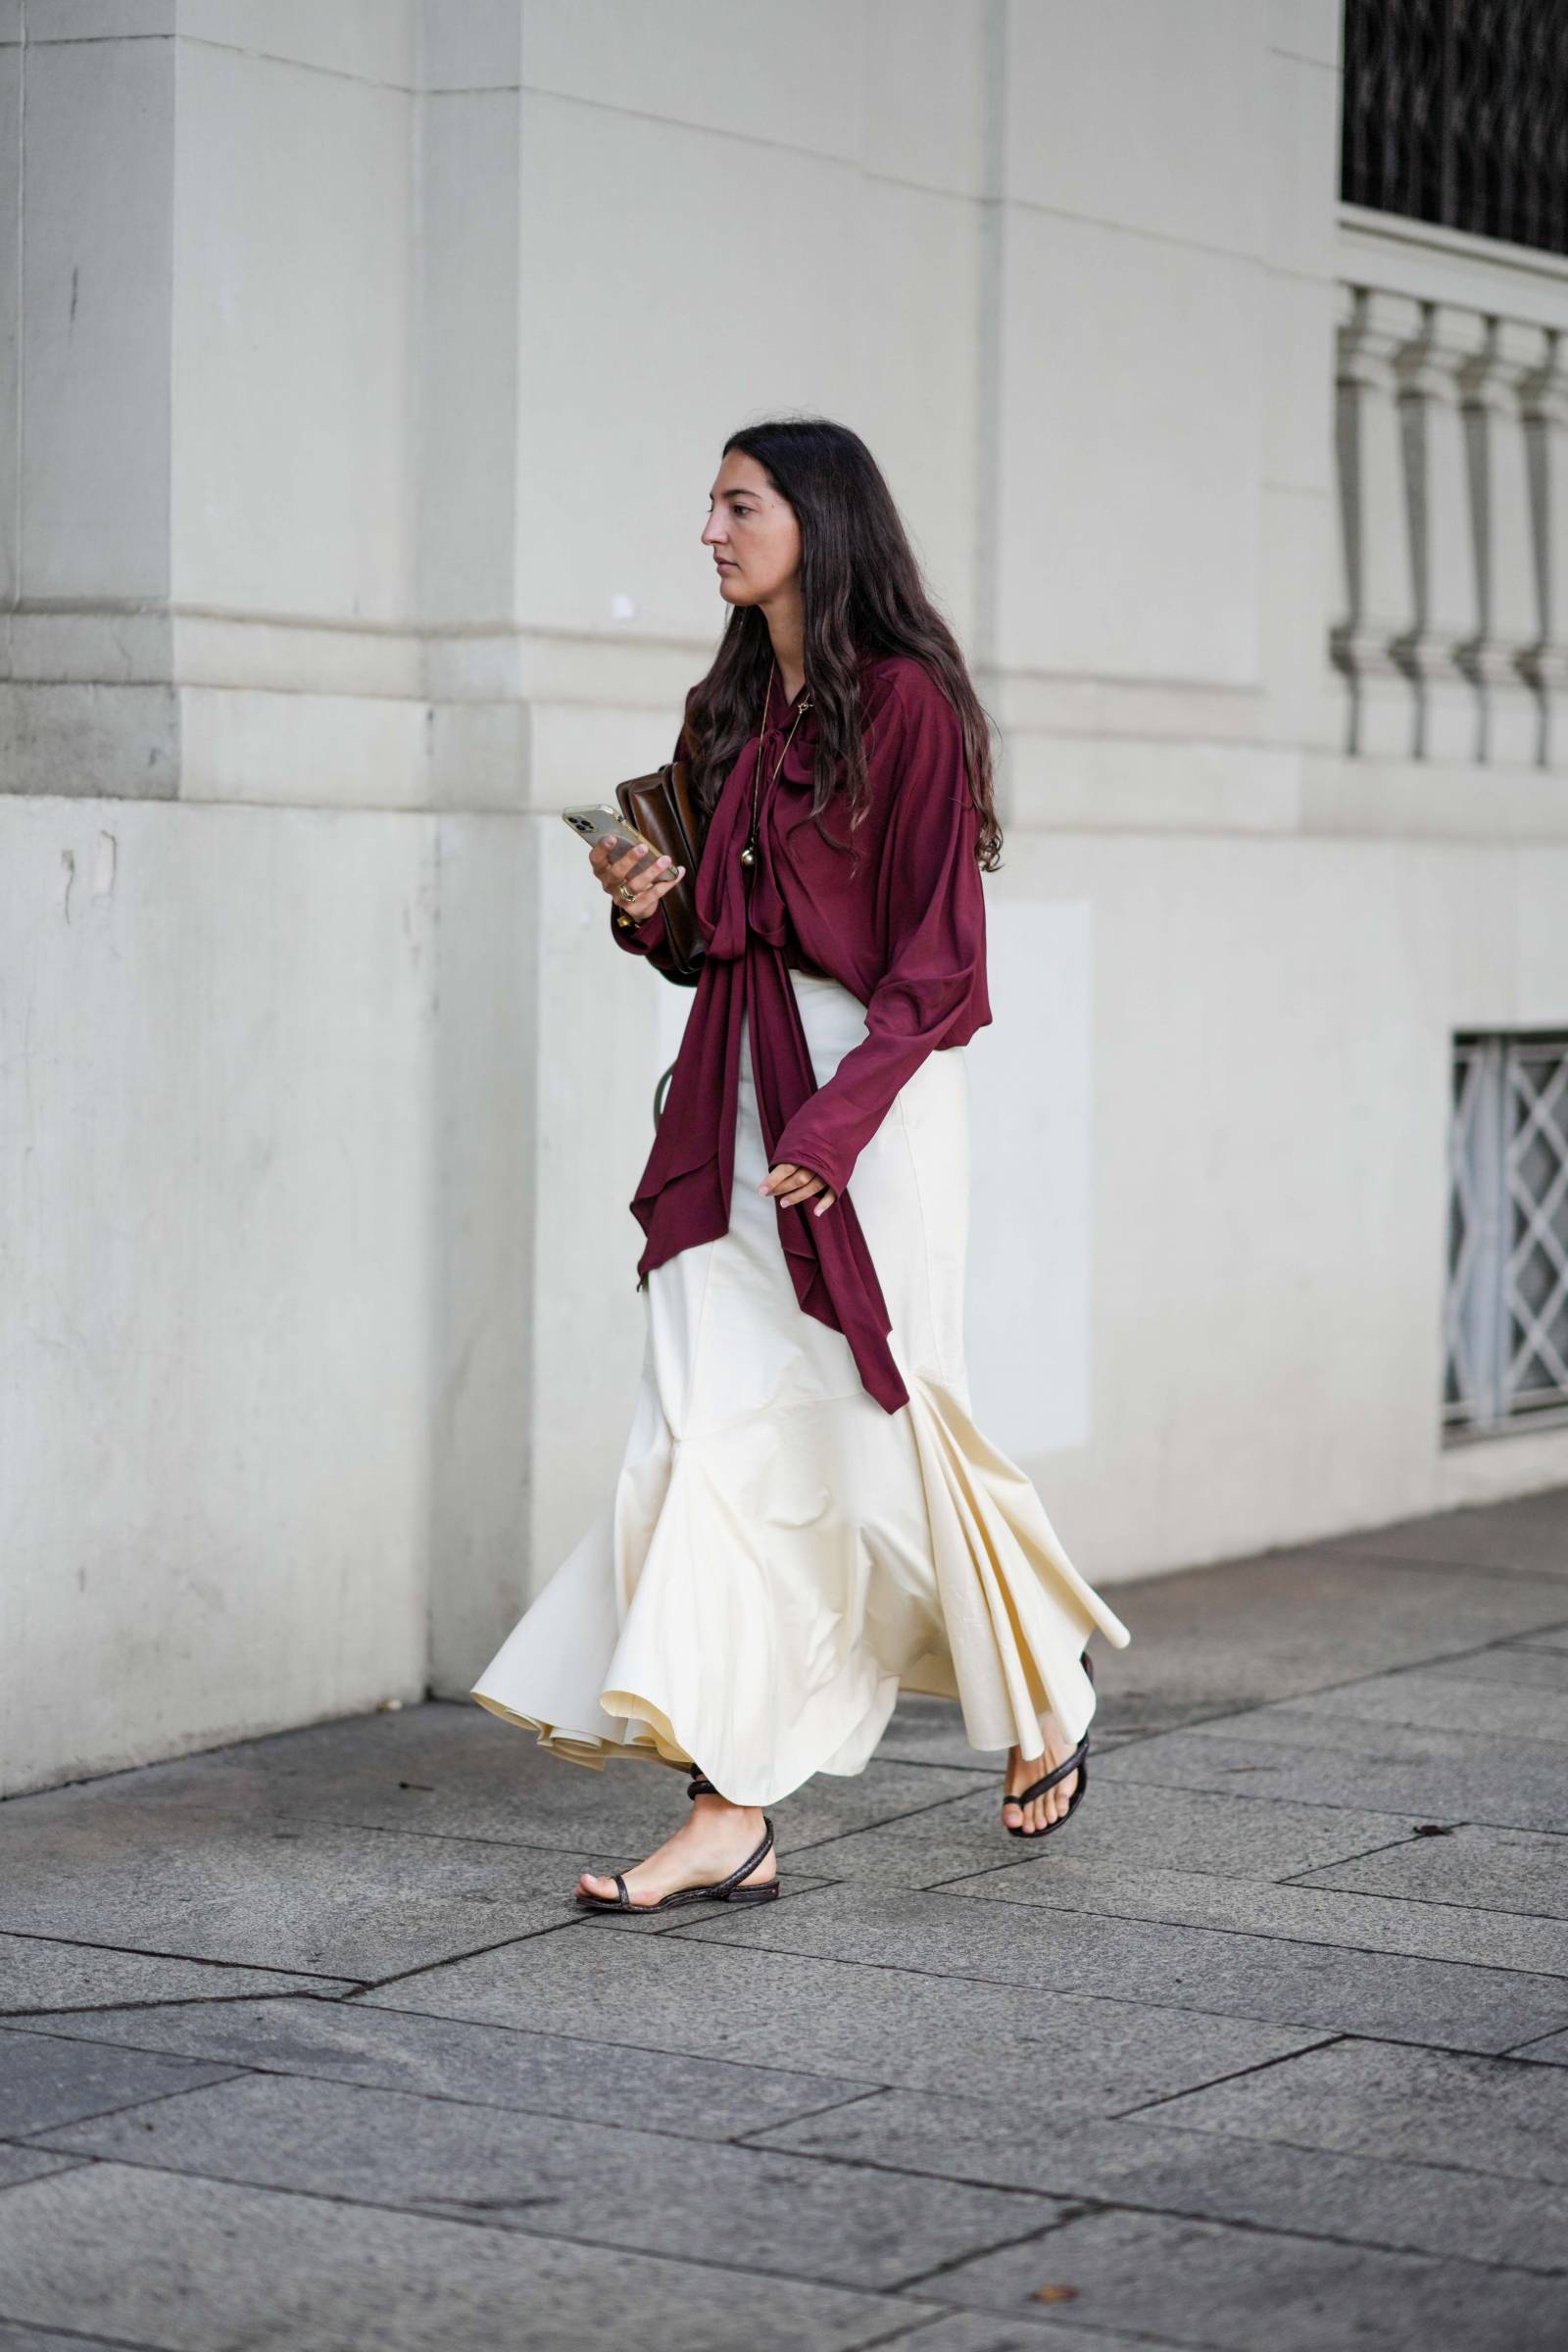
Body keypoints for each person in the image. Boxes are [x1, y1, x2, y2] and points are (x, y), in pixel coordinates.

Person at [470, 416, 1131, 1912]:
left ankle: (1040, 1683)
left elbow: (944, 969)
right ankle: (727, 1808)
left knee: (879, 1420)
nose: (709, 533)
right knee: (706, 1427)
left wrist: (836, 1129)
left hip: (865, 1107)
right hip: (735, 1100)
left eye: (737, 505)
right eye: (708, 506)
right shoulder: (735, 707)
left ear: (817, 523)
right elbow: (710, 940)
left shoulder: (901, 708)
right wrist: (646, 900)